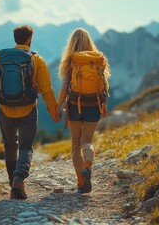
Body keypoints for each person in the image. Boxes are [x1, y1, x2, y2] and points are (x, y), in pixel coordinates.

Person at [0, 25, 59, 199]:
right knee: (26, 147)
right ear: (29, 39)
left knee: (10, 145)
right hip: (28, 109)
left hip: (5, 110)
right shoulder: (36, 59)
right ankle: (19, 179)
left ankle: (12, 183)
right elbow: (47, 89)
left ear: (15, 38)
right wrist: (53, 110)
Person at [56, 28, 111, 194]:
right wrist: (104, 106)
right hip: (93, 105)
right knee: (87, 141)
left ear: (72, 42)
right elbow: (104, 85)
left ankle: (81, 181)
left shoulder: (71, 61)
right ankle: (88, 165)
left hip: (74, 105)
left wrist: (57, 107)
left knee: (75, 145)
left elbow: (65, 87)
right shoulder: (98, 59)